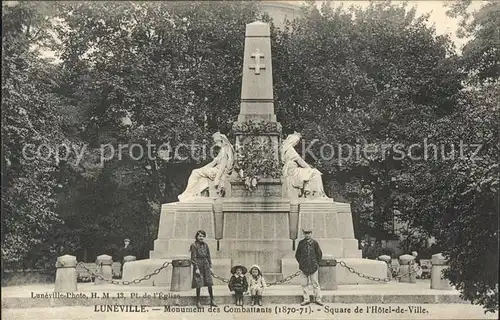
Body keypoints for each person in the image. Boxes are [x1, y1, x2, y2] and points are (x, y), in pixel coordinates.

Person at [178, 132, 235, 201]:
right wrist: (203, 169)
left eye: (216, 142)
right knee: (197, 172)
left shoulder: (225, 149)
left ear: (221, 140)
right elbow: (213, 162)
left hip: (216, 172)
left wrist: (217, 178)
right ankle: (190, 194)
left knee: (195, 172)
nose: (216, 144)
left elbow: (222, 166)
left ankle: (187, 194)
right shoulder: (223, 150)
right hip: (215, 170)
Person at [281, 132, 327, 198]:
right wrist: (310, 169)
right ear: (292, 141)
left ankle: (310, 192)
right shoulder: (290, 150)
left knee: (310, 173)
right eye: (296, 142)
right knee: (314, 172)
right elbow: (300, 161)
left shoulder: (284, 149)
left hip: (290, 170)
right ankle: (313, 194)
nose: (296, 143)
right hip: (293, 171)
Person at [295, 228, 323, 306]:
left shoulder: (315, 243)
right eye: (305, 233)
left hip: (313, 267)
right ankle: (306, 299)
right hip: (303, 267)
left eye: (309, 233)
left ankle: (318, 298)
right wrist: (302, 263)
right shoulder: (301, 243)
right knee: (304, 284)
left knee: (315, 284)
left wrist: (315, 263)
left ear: (311, 233)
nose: (307, 235)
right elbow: (297, 255)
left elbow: (319, 254)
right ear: (303, 234)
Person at [190, 230, 217, 308]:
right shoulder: (194, 245)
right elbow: (193, 258)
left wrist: (210, 266)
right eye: (199, 236)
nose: (201, 237)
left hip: (205, 264)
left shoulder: (205, 245)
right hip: (198, 264)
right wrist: (196, 268)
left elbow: (208, 256)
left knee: (209, 282)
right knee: (198, 283)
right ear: (197, 237)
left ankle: (212, 300)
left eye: (202, 236)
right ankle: (198, 302)